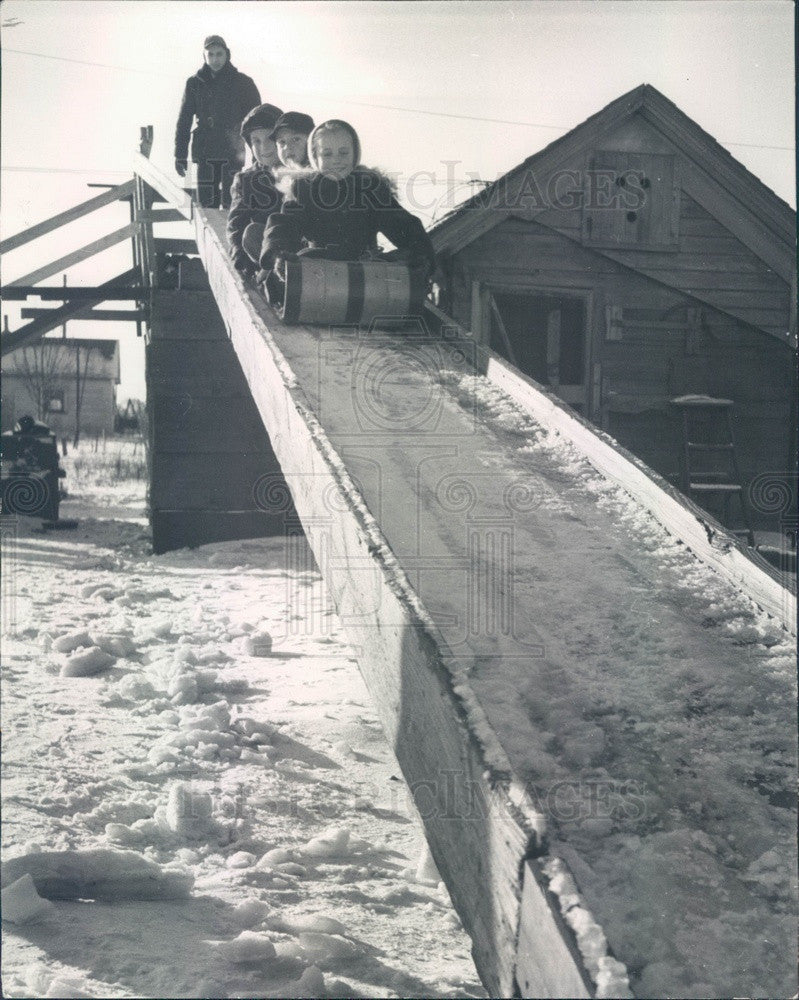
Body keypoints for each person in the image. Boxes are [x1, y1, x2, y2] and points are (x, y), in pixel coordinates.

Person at [260, 119, 435, 296]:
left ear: (355, 154)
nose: (336, 160)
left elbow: (402, 225)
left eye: (343, 153)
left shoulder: (368, 187)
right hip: (321, 267)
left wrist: (422, 256)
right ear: (314, 156)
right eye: (327, 154)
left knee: (401, 263)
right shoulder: (305, 188)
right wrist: (278, 254)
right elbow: (283, 224)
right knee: (298, 264)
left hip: (364, 268)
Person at [174, 35, 261, 209]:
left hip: (232, 151)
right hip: (205, 151)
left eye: (219, 54)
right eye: (211, 54)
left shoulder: (243, 83)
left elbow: (256, 122)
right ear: (204, 56)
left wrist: (257, 156)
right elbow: (184, 120)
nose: (215, 59)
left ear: (227, 54)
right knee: (206, 207)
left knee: (233, 201)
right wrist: (180, 154)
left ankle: (230, 236)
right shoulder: (194, 83)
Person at [227, 103, 284, 281]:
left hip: (292, 248)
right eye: (255, 141)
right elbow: (236, 224)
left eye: (269, 139)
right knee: (251, 232)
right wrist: (238, 254)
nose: (263, 147)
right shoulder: (247, 180)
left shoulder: (297, 172)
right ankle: (272, 279)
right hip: (263, 252)